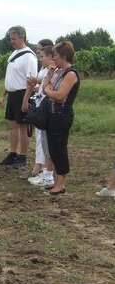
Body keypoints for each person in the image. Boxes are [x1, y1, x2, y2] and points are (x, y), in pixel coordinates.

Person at [43, 41, 80, 195]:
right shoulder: (59, 73)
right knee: (53, 149)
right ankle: (57, 182)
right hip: (53, 115)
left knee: (59, 149)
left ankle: (61, 184)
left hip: (62, 116)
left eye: (56, 56)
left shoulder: (71, 74)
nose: (54, 59)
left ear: (64, 56)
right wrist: (50, 75)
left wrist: (48, 90)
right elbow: (45, 87)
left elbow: (59, 95)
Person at [0, 26, 38, 168]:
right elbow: (10, 77)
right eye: (10, 38)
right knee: (13, 125)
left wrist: (26, 100)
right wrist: (3, 95)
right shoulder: (14, 53)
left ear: (22, 38)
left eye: (13, 38)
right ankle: (13, 153)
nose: (11, 41)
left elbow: (31, 81)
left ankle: (22, 157)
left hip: (23, 94)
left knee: (23, 127)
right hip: (13, 94)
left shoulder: (29, 57)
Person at [22, 45, 55, 188]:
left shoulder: (52, 70)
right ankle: (44, 172)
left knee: (45, 142)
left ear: (50, 56)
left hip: (46, 109)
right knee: (42, 141)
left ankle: (46, 173)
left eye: (42, 56)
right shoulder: (45, 70)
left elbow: (48, 87)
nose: (40, 59)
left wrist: (38, 83)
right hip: (41, 107)